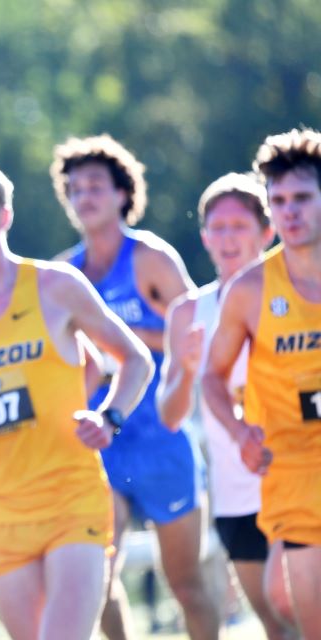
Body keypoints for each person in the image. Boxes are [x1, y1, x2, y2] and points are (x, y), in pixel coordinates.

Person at [0, 157, 152, 639]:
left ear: (2, 216)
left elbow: (136, 360)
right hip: (0, 514)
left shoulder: (55, 286)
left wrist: (109, 416)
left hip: (73, 500)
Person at [51, 134, 218, 639]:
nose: (84, 197)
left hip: (162, 436)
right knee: (99, 579)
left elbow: (200, 330)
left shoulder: (149, 258)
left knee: (185, 583)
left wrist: (128, 338)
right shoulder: (64, 274)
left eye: (95, 186)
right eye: (75, 189)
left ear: (123, 193)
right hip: (102, 442)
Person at [158, 173, 295, 639]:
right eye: (217, 228)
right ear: (204, 238)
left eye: (239, 226)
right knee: (275, 623)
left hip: (296, 480)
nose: (227, 238)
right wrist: (186, 371)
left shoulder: (298, 296)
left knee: (298, 608)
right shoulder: (188, 313)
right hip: (236, 493)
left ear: (267, 232)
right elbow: (170, 416)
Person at [202, 129, 321, 639]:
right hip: (292, 472)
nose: (289, 212)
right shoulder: (250, 289)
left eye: (302, 198)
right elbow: (211, 376)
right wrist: (239, 432)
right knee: (300, 614)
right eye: (279, 201)